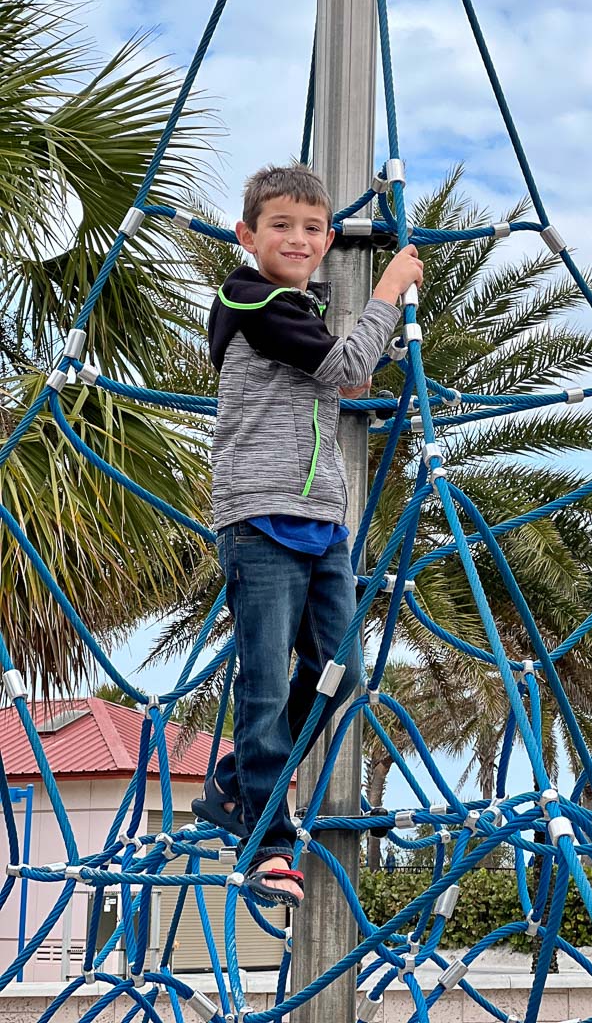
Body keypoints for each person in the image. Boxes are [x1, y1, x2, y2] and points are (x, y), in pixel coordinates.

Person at [192, 163, 423, 908]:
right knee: (263, 681)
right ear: (247, 236)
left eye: (312, 228)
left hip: (321, 521)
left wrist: (376, 331)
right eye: (281, 226)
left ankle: (235, 781)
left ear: (328, 238)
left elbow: (346, 377)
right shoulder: (249, 297)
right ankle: (267, 839)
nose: (298, 239)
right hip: (261, 518)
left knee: (340, 671)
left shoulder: (295, 310)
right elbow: (348, 364)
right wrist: (387, 290)